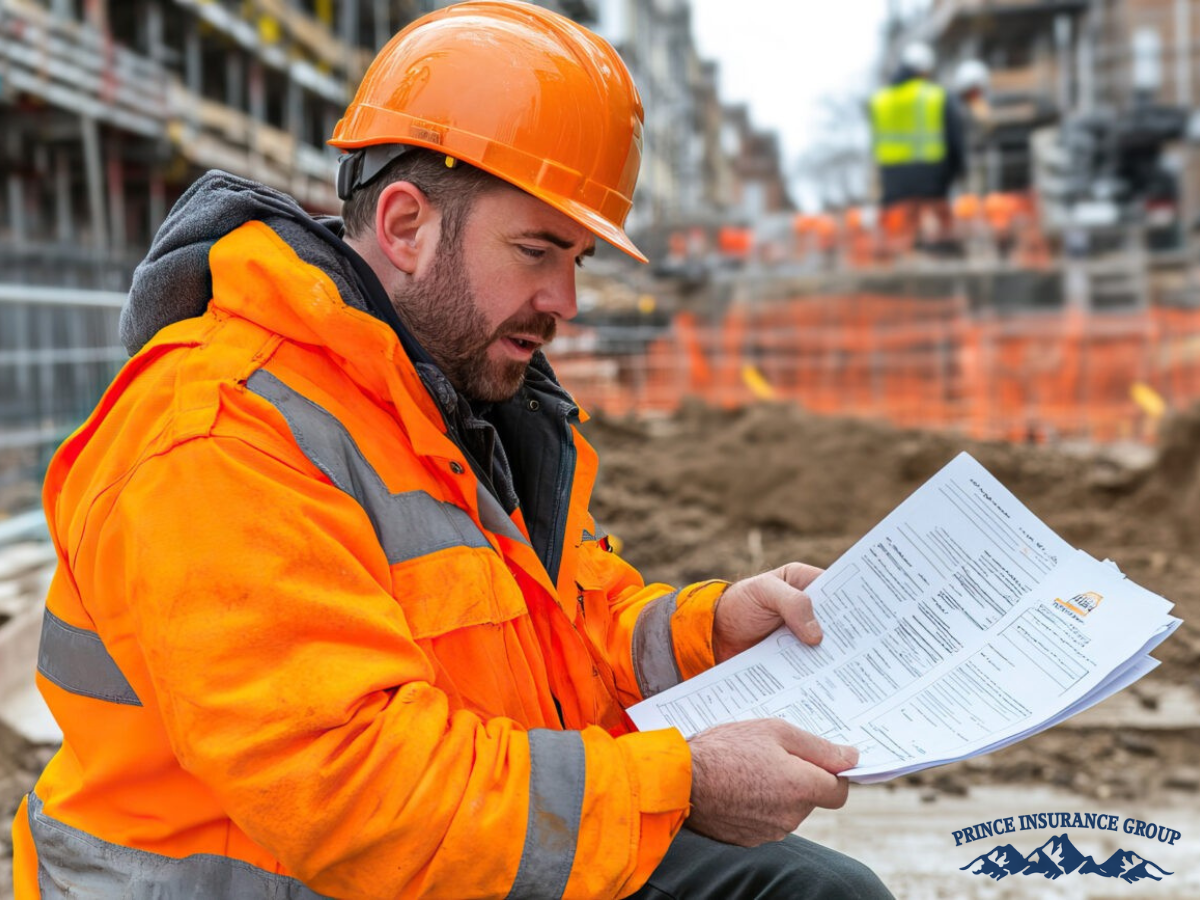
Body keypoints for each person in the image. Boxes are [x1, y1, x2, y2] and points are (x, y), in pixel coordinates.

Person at [11, 3, 894, 897]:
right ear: (404, 226)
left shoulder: (451, 401)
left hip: (458, 839)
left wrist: (713, 632)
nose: (567, 300)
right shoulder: (218, 432)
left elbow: (560, 651)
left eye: (578, 258)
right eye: (538, 250)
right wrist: (681, 783)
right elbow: (357, 799)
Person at [869, 42, 966, 254]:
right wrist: (958, 170)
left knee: (894, 244)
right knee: (945, 236)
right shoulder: (936, 96)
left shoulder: (880, 100)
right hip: (932, 181)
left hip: (893, 184)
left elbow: (877, 144)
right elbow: (955, 139)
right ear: (925, 69)